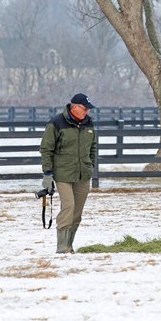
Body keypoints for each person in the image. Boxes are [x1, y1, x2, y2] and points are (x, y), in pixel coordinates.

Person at [40, 93, 97, 253]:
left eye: (88, 110)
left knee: (77, 213)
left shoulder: (89, 123)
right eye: (85, 109)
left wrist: (90, 164)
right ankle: (61, 247)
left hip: (83, 175)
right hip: (63, 174)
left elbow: (93, 147)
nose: (87, 112)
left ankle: (69, 246)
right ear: (75, 107)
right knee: (68, 207)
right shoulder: (56, 123)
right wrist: (47, 174)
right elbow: (46, 149)